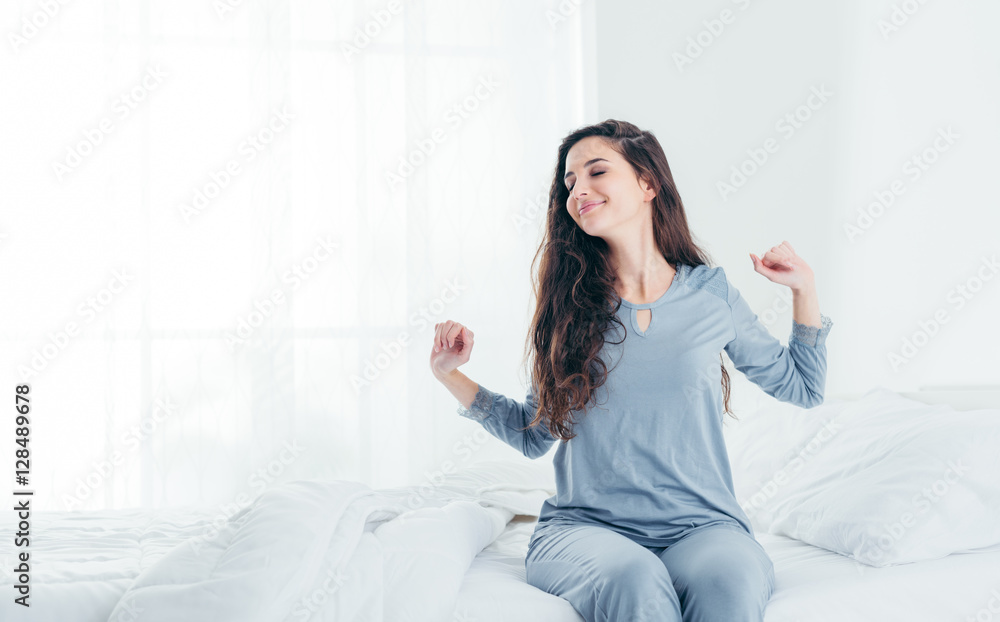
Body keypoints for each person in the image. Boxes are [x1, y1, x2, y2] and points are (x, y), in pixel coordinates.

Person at [429, 119, 833, 622]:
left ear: (648, 184)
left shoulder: (711, 295)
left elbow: (803, 387)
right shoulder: (569, 309)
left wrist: (804, 289)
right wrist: (449, 374)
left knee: (728, 584)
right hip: (585, 531)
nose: (579, 190)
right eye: (570, 182)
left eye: (596, 171)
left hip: (702, 527)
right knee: (636, 579)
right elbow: (533, 435)